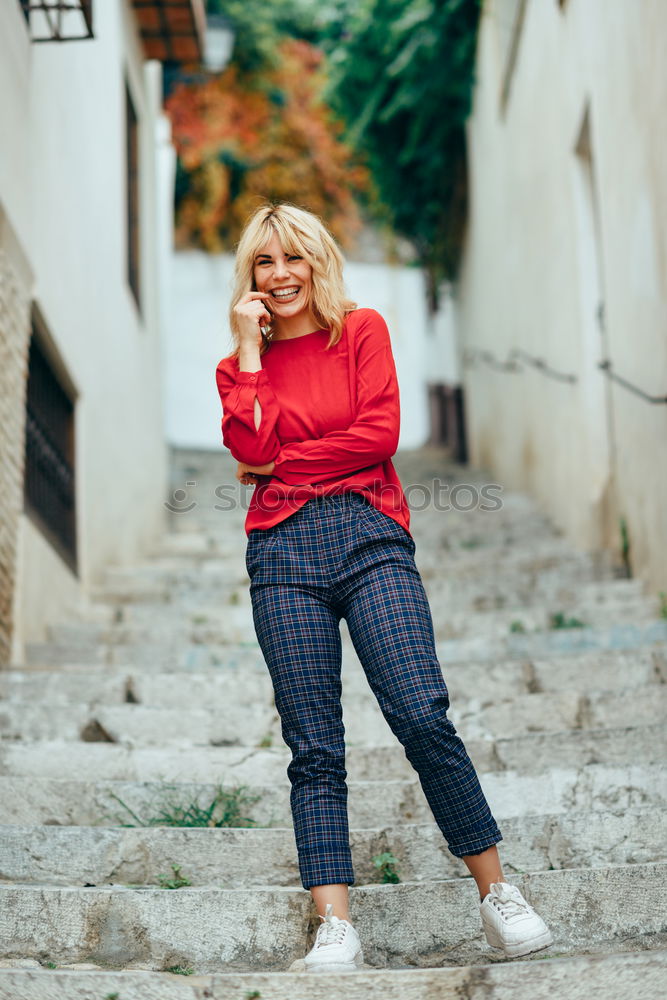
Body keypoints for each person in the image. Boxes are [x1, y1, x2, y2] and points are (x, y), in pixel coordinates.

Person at [215, 203, 553, 971]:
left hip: (370, 539)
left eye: (293, 258)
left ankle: (497, 898)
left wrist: (279, 468)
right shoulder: (239, 365)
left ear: (317, 261)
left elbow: (380, 435)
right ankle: (334, 925)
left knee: (420, 712)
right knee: (313, 745)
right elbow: (246, 442)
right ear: (250, 278)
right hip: (281, 554)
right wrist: (247, 350)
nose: (280, 275)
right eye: (264, 263)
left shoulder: (359, 331)